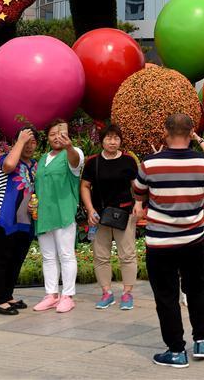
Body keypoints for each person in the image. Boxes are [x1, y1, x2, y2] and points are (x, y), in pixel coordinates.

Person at [133, 114, 204, 368]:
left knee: (167, 296)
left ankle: (176, 350)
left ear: (165, 131)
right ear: (191, 132)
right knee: (197, 289)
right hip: (193, 238)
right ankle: (202, 341)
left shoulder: (150, 164)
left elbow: (138, 192)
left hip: (161, 243)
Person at [80, 124, 140, 310]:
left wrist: (138, 204)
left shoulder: (128, 161)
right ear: (102, 140)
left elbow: (137, 187)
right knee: (101, 256)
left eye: (116, 138)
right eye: (108, 138)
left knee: (127, 255)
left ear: (120, 141)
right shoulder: (93, 162)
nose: (112, 142)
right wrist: (90, 210)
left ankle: (127, 293)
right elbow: (84, 186)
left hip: (125, 213)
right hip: (99, 215)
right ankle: (106, 292)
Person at [33, 119, 84, 313]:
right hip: (44, 215)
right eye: (53, 134)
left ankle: (67, 296)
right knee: (48, 257)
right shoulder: (43, 158)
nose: (57, 137)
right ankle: (51, 295)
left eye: (61, 133)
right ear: (47, 137)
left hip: (63, 212)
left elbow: (75, 163)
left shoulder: (73, 152)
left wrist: (69, 146)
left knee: (66, 255)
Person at [0, 127, 37, 315]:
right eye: (25, 141)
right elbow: (9, 165)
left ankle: (7, 296)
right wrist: (20, 140)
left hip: (24, 220)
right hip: (4, 218)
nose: (28, 145)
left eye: (32, 141)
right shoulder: (7, 159)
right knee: (3, 259)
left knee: (16, 260)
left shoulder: (34, 165)